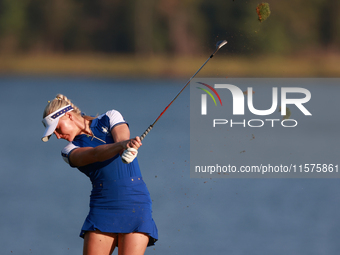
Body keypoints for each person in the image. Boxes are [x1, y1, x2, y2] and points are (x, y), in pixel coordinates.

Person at [41, 94, 158, 255]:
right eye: (54, 133)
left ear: (68, 115)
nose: (58, 136)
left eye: (58, 129)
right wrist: (122, 146)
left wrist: (127, 146)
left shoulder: (110, 117)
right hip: (103, 206)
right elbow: (95, 154)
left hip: (135, 203)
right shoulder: (68, 151)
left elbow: (122, 138)